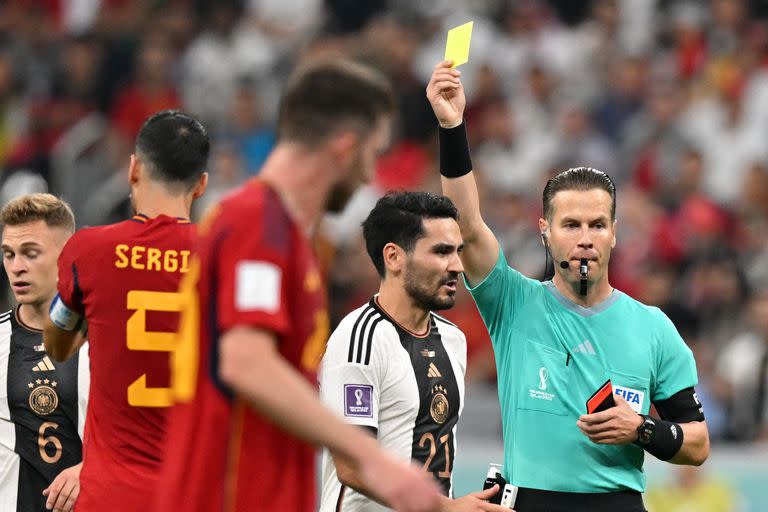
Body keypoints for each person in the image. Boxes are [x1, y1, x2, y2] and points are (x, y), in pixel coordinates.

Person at [153, 59, 443, 512]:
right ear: (345, 149)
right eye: (372, 155)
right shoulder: (257, 223)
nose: (370, 176)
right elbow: (246, 362)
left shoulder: (285, 235)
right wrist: (374, 458)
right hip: (228, 495)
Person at [426, 60, 710, 512]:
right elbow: (468, 224)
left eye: (597, 225)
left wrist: (643, 429)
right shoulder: (512, 302)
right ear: (545, 231)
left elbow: (697, 443)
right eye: (571, 224)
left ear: (615, 232)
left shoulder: (653, 327)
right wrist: (452, 126)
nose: (584, 238)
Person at [43, 110, 209, 512]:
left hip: (110, 496)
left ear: (133, 169)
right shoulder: (223, 258)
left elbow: (57, 344)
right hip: (195, 495)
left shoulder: (88, 251)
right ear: (201, 185)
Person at [319, 191, 506, 512]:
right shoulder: (358, 340)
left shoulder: (452, 338)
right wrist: (445, 508)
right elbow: (352, 465)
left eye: (458, 251)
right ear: (393, 257)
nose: (458, 266)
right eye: (441, 252)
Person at [0, 193, 89, 512]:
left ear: (67, 255)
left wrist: (89, 469)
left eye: (30, 253)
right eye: (8, 254)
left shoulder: (107, 339)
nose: (16, 267)